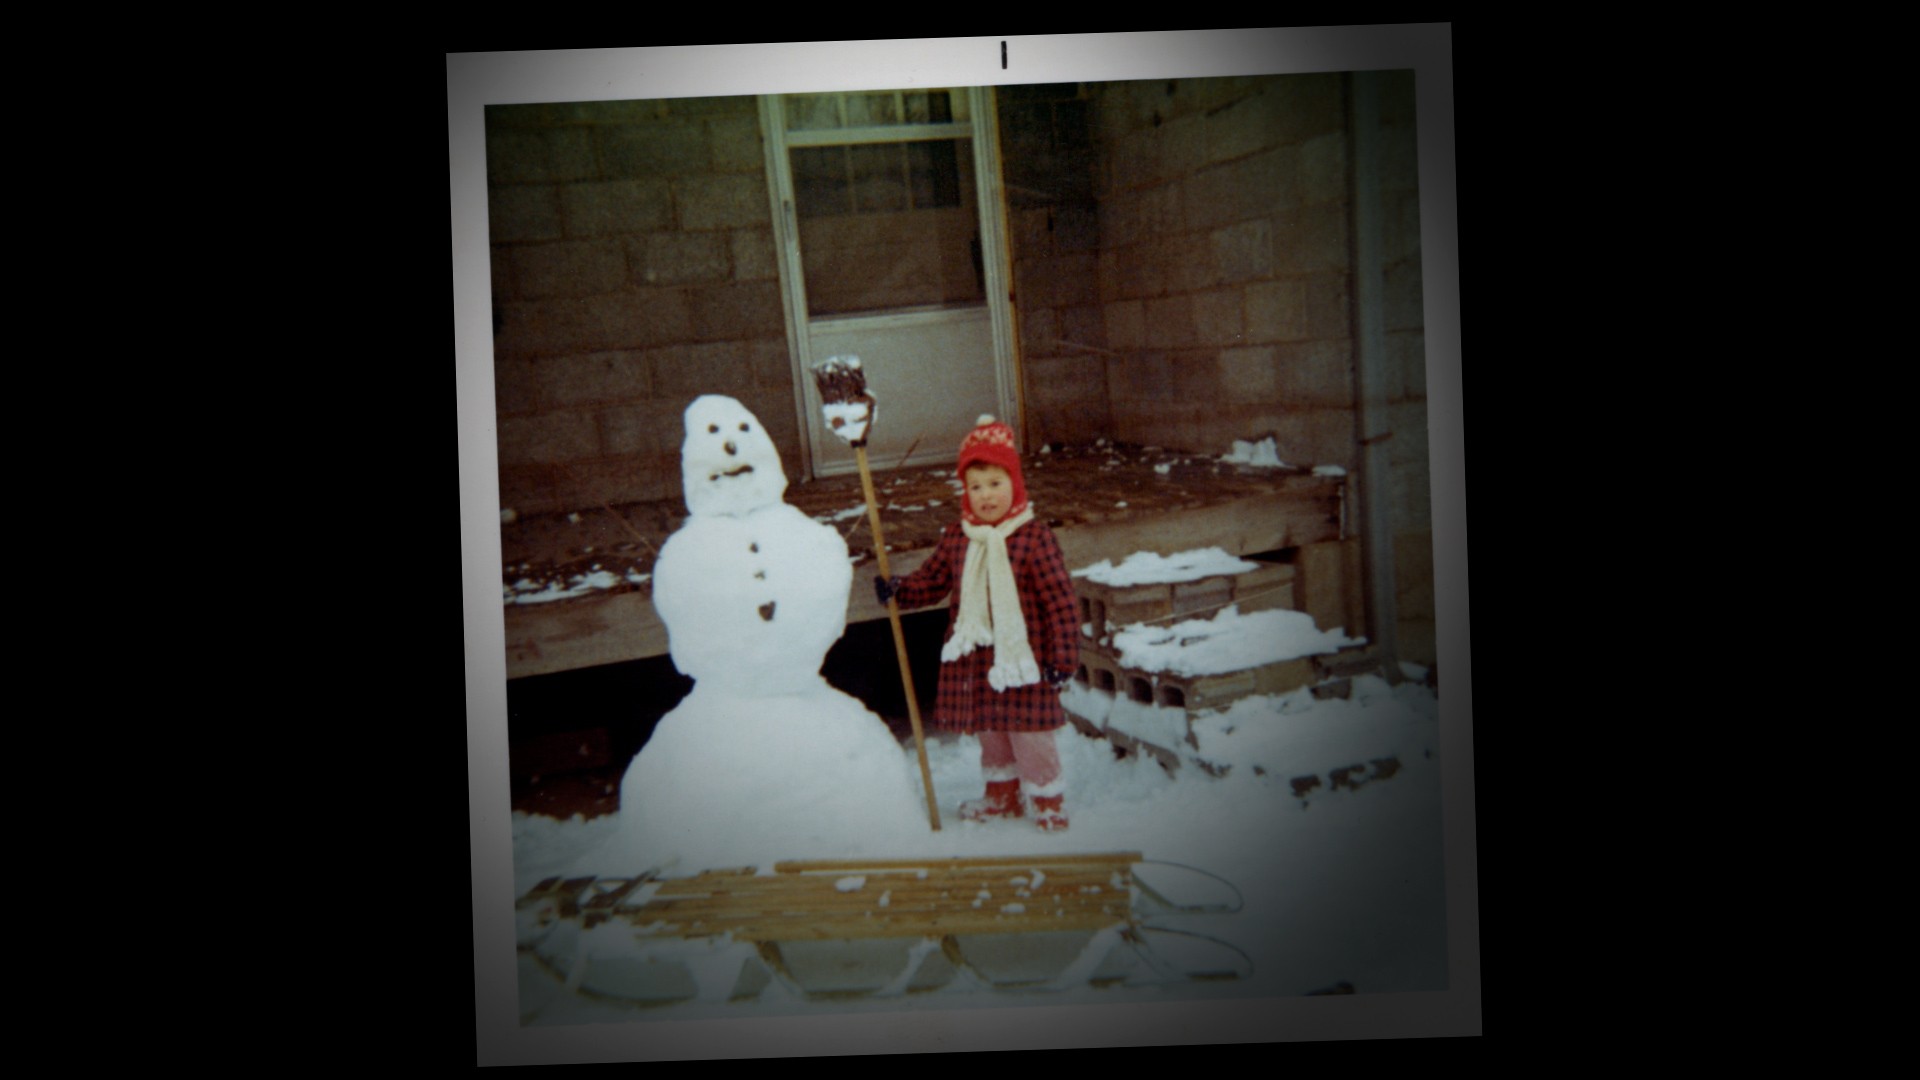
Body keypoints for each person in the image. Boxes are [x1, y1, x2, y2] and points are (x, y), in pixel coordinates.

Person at [876, 415, 1081, 831]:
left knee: (1031, 734)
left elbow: (1060, 603)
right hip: (978, 660)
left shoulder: (1035, 538)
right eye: (976, 486)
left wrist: (1063, 658)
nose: (986, 496)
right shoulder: (959, 536)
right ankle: (1002, 797)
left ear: (1015, 484)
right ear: (965, 491)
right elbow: (933, 579)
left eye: (995, 483)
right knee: (991, 731)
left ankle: (1047, 800)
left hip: (1026, 660)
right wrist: (900, 589)